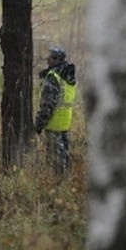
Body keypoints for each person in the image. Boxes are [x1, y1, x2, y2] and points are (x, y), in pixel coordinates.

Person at [34, 45, 77, 175]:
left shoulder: (53, 77)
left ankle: (57, 191)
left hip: (53, 124)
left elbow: (48, 106)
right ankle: (65, 188)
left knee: (55, 165)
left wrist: (38, 125)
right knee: (64, 160)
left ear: (56, 59)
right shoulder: (68, 76)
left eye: (51, 58)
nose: (47, 60)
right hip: (65, 123)